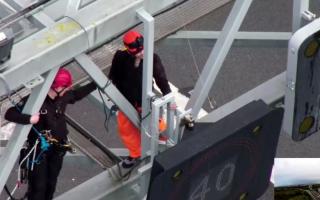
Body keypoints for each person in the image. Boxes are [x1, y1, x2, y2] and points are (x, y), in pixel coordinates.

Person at [5, 68, 97, 200]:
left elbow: (76, 95)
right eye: (65, 87)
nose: (67, 89)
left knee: (51, 184)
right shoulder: (35, 101)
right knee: (38, 187)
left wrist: (94, 85)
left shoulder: (62, 96)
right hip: (38, 151)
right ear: (57, 87)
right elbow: (9, 113)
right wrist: (29, 119)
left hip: (57, 148)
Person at [108, 30, 172, 168]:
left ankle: (165, 139)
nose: (142, 54)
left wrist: (168, 96)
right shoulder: (121, 58)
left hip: (144, 99)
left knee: (154, 123)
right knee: (126, 129)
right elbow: (114, 76)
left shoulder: (152, 58)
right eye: (138, 53)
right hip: (126, 99)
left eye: (143, 51)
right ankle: (136, 153)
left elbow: (161, 78)